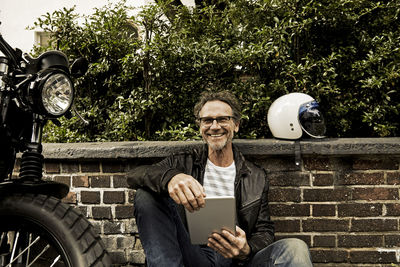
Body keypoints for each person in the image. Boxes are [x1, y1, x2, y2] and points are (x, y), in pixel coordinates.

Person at [127, 90, 313, 267]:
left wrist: (247, 249)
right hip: (192, 254)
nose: (214, 126)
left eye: (223, 119)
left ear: (236, 125)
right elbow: (135, 175)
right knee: (145, 195)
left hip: (235, 259)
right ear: (200, 126)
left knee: (295, 247)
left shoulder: (256, 176)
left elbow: (264, 231)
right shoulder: (183, 162)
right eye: (207, 120)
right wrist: (171, 177)